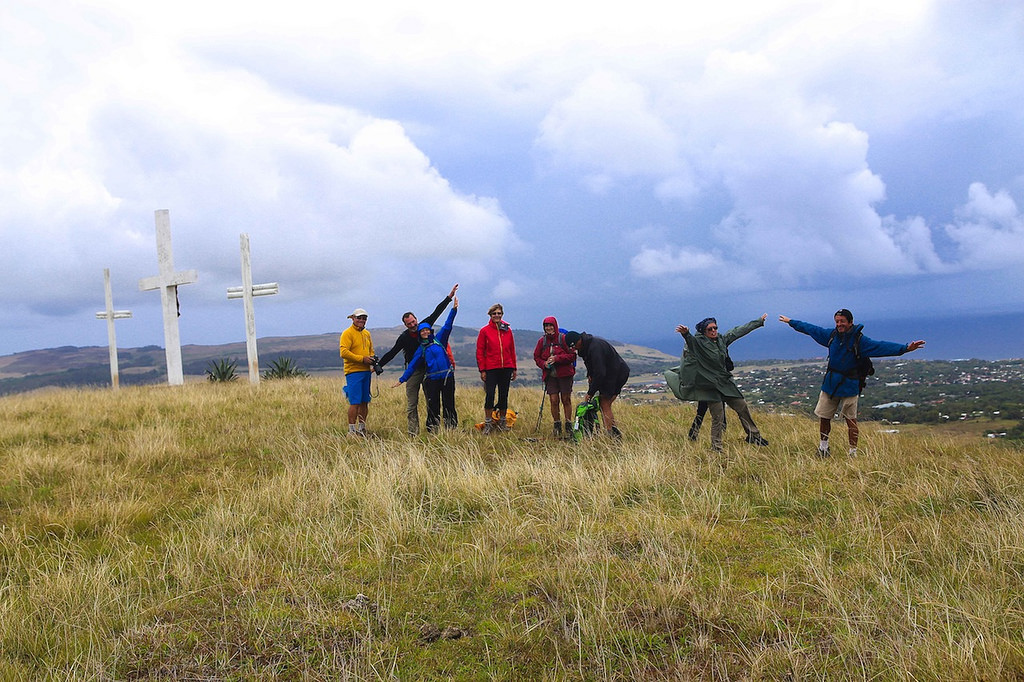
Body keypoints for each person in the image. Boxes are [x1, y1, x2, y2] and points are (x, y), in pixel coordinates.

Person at [779, 309, 926, 457]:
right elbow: (811, 329)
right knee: (824, 417)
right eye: (837, 321)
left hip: (850, 385)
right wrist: (791, 322)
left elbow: (881, 346)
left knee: (851, 421)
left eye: (842, 321)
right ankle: (823, 448)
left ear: (850, 322)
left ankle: (853, 452)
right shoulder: (831, 336)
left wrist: (906, 348)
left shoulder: (860, 341)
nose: (839, 324)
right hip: (830, 384)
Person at [666, 315, 769, 451]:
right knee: (718, 417)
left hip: (724, 383)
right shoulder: (699, 343)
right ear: (704, 331)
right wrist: (685, 334)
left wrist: (758, 322)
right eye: (710, 329)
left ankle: (753, 436)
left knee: (742, 406)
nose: (714, 330)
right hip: (709, 386)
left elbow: (738, 331)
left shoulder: (721, 340)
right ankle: (716, 447)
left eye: (715, 327)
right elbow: (691, 342)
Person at [377, 284, 458, 435]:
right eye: (409, 324)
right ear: (405, 325)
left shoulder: (424, 327)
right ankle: (413, 432)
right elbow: (392, 352)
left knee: (431, 401)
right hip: (413, 371)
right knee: (412, 403)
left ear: (417, 320)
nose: (413, 325)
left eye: (414, 322)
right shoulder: (404, 338)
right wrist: (378, 365)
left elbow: (437, 312)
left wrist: (449, 297)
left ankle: (434, 430)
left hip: (430, 370)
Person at [564, 331, 630, 438]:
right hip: (610, 374)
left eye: (574, 346)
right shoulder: (585, 347)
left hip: (616, 374)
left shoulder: (595, 348)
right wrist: (590, 375)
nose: (575, 349)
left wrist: (590, 393)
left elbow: (600, 372)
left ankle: (612, 435)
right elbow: (592, 367)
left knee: (604, 403)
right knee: (604, 403)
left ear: (579, 340)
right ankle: (611, 431)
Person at [476, 303, 517, 433]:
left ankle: (502, 422)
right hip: (491, 368)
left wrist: (514, 367)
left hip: (506, 367)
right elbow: (480, 351)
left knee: (503, 395)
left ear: (502, 314)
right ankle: (488, 423)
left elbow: (511, 349)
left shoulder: (507, 330)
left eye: (499, 313)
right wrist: (482, 369)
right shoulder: (484, 331)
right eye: (494, 313)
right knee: (490, 395)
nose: (497, 315)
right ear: (490, 315)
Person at [533, 316, 576, 438]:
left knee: (566, 399)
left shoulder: (563, 339)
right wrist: (544, 364)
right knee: (553, 400)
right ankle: (557, 425)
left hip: (565, 374)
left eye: (550, 325)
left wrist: (557, 359)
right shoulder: (542, 342)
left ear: (555, 326)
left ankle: (568, 425)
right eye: (546, 326)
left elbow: (572, 356)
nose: (549, 328)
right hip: (550, 375)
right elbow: (536, 357)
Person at [339, 308, 375, 436]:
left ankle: (362, 428)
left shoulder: (367, 334)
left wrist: (372, 360)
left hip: (366, 371)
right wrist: (362, 359)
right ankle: (352, 430)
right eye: (359, 318)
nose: (361, 320)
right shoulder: (347, 333)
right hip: (353, 372)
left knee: (365, 401)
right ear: (353, 318)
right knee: (355, 401)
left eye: (364, 318)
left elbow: (371, 350)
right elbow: (343, 352)